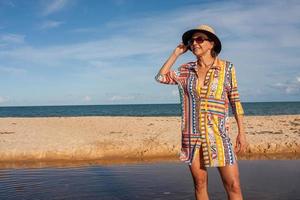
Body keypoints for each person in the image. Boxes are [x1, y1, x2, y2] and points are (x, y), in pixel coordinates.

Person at [155, 24, 248, 200]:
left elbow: (235, 101)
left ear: (211, 44)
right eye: (191, 41)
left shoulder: (227, 68)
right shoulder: (186, 70)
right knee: (200, 183)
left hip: (219, 135)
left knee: (233, 186)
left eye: (199, 39)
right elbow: (161, 77)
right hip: (192, 135)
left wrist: (241, 133)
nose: (194, 43)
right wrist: (175, 54)